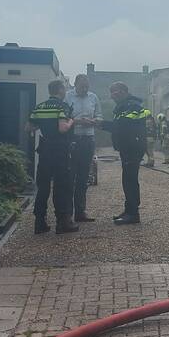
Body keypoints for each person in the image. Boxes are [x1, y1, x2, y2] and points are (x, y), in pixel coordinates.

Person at [28, 80, 79, 235]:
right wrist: (72, 121)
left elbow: (29, 127)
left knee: (43, 186)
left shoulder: (39, 107)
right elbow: (63, 128)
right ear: (60, 90)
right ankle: (62, 223)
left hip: (44, 150)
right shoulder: (62, 107)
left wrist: (44, 125)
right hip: (60, 150)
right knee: (61, 185)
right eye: (64, 88)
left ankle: (40, 222)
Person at [108, 82, 150, 225]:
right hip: (128, 148)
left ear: (125, 91)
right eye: (111, 92)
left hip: (132, 148)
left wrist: (100, 124)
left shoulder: (132, 105)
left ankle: (133, 214)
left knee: (130, 180)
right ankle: (129, 210)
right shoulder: (124, 106)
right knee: (127, 179)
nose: (113, 95)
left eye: (116, 92)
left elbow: (122, 125)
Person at [65, 74, 101, 222]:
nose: (85, 89)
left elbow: (100, 116)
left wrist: (94, 121)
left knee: (83, 176)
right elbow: (62, 117)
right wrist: (77, 121)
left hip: (88, 139)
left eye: (87, 86)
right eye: (82, 86)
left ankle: (80, 212)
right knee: (69, 176)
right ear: (75, 84)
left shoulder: (93, 97)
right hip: (72, 139)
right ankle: (67, 213)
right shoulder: (67, 97)